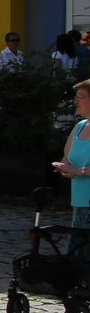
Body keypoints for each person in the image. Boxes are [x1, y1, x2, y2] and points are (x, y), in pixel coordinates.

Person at [53, 80, 90, 256]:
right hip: (79, 203)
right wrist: (64, 167)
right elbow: (67, 157)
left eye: (80, 97)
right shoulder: (80, 127)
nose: (75, 101)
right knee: (77, 257)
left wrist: (80, 171)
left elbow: (78, 169)